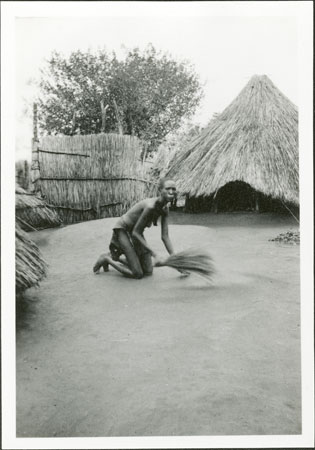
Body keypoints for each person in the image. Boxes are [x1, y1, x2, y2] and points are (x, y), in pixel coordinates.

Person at [93, 178, 180, 279]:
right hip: (123, 230)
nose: (171, 192)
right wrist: (154, 254)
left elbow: (165, 236)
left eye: (173, 189)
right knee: (137, 274)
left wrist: (176, 259)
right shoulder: (150, 206)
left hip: (135, 231)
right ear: (159, 190)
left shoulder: (165, 209)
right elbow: (136, 233)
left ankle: (121, 258)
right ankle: (107, 258)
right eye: (167, 188)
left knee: (148, 271)